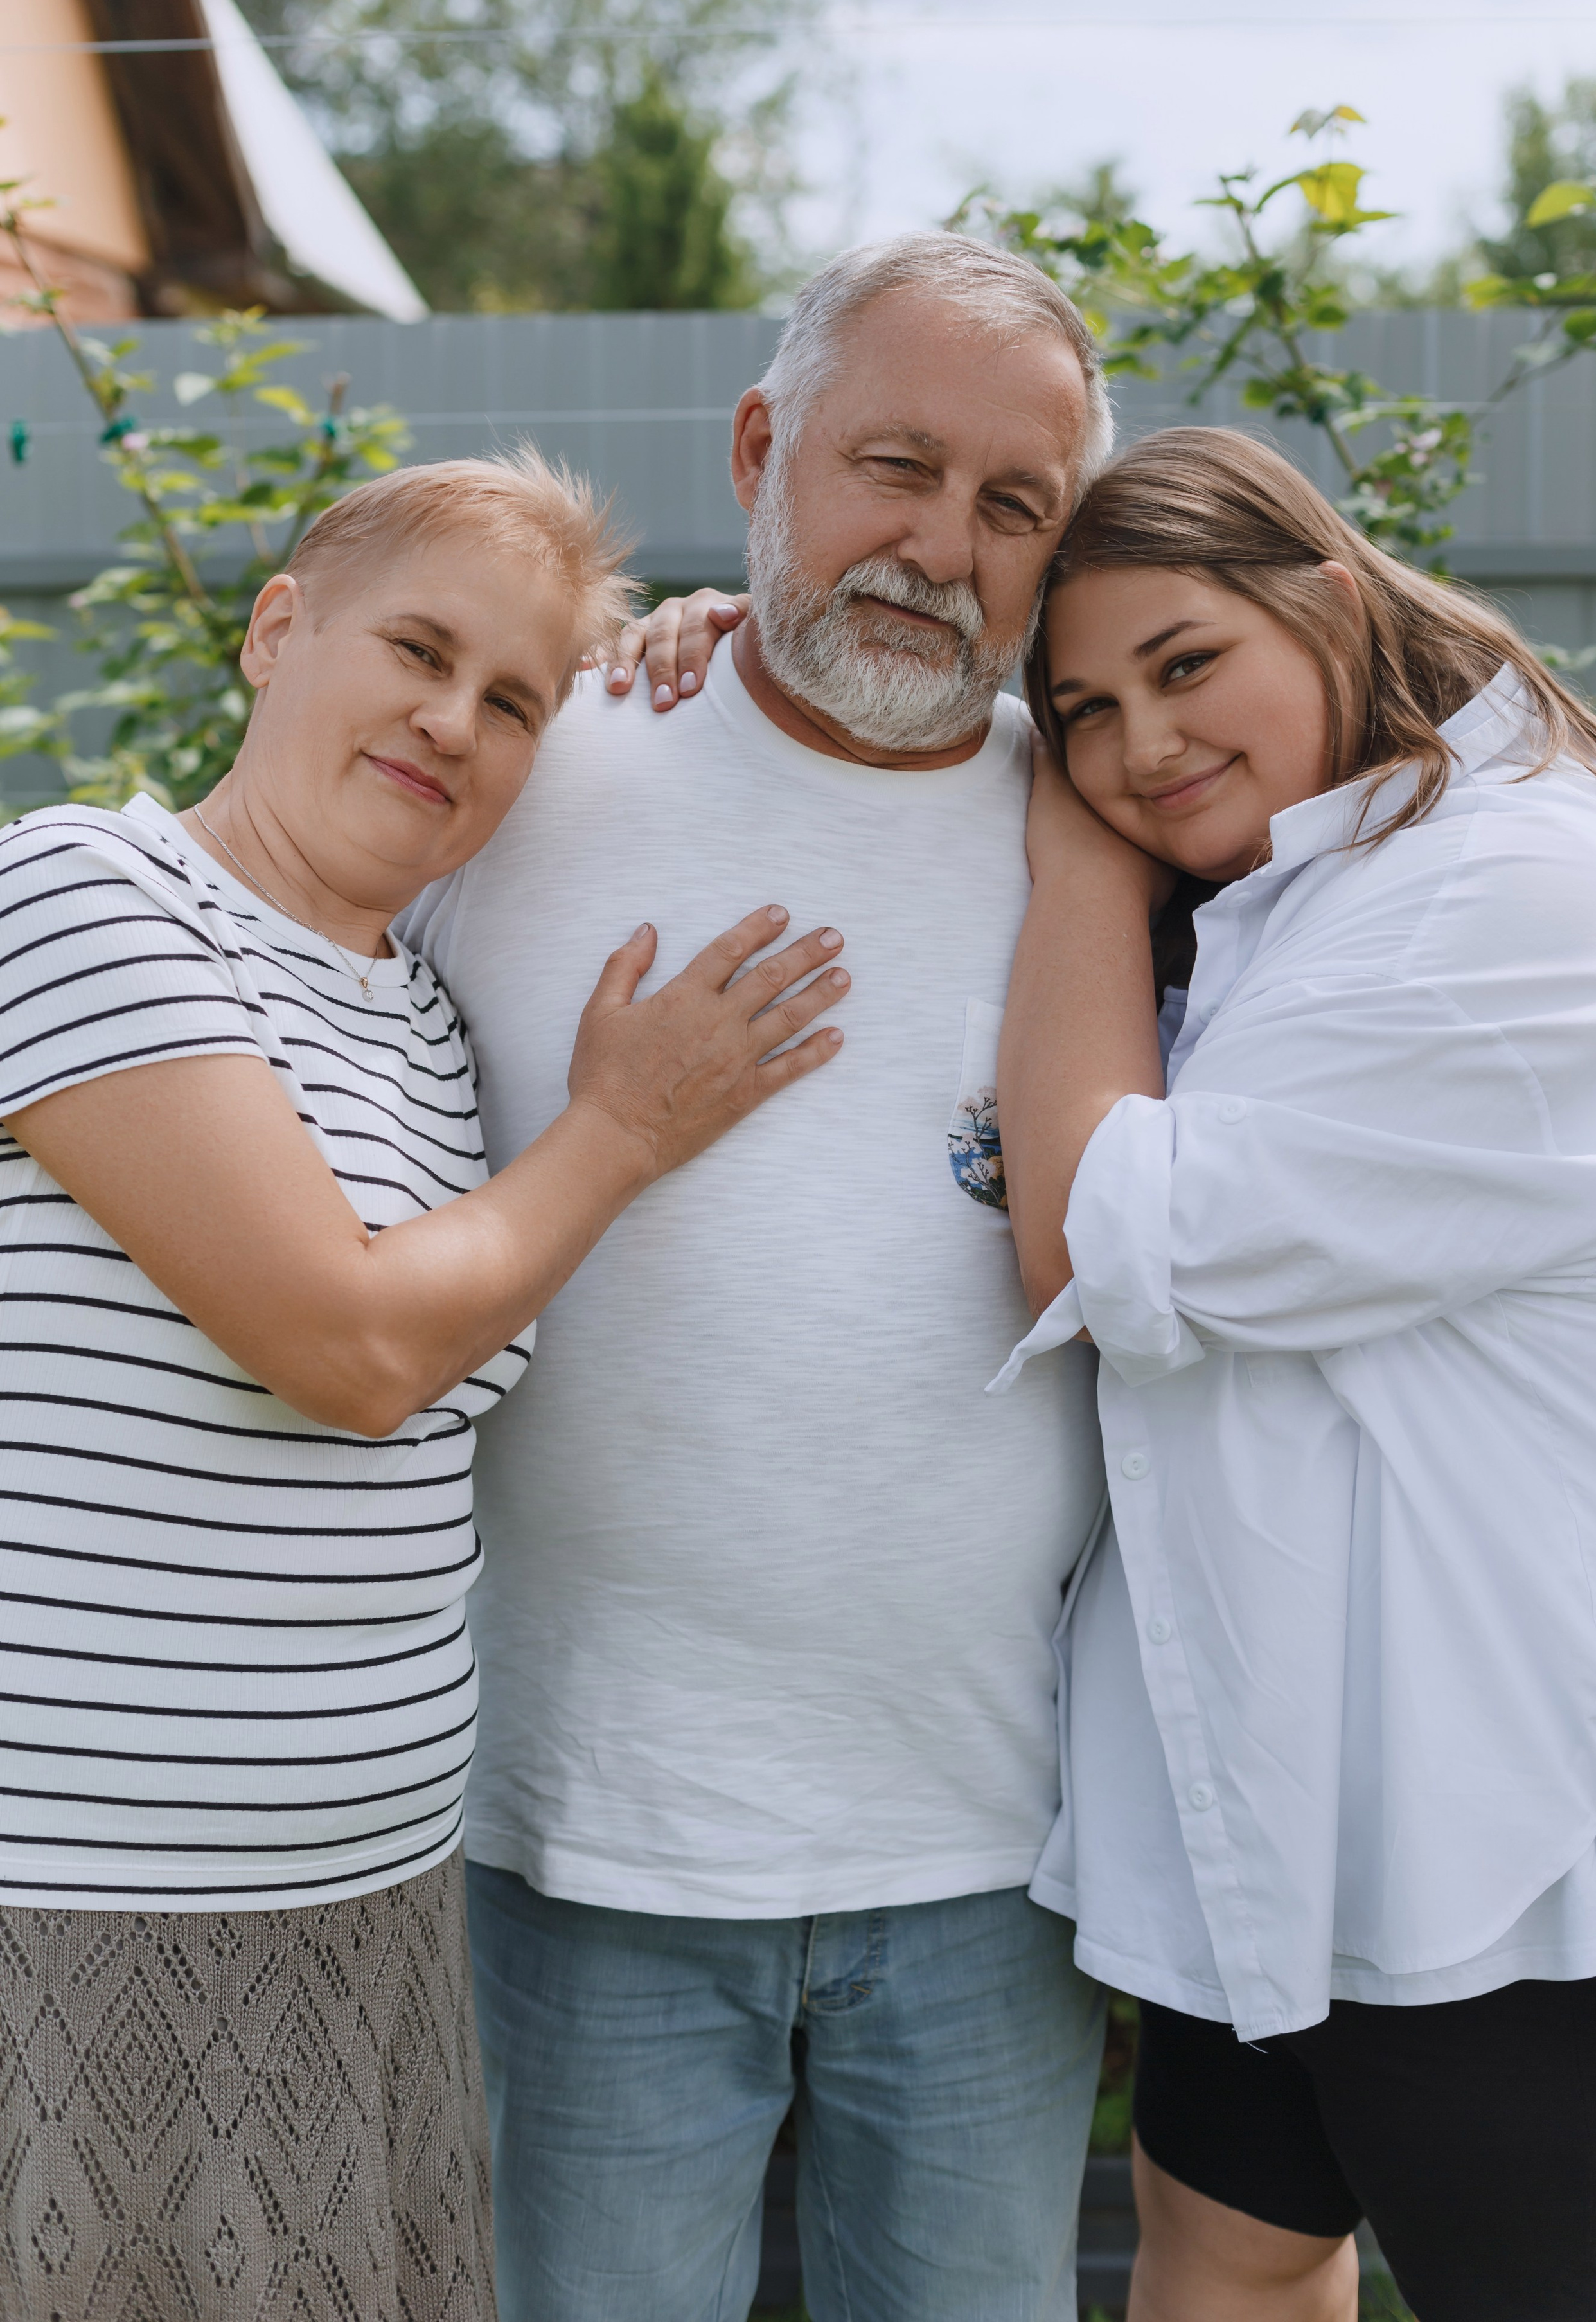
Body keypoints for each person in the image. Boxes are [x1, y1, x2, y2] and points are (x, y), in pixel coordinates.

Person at [0, 450, 848, 2322]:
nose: (454, 722)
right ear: (279, 628)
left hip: (369, 1914)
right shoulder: (76, 894)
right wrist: (626, 1127)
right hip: (85, 1913)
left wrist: (707, 650)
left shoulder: (424, 1026)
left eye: (517, 699)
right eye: (420, 649)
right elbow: (357, 1345)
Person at [400, 233, 1113, 2322]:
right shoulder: (523, 778)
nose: (939, 546)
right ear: (760, 449)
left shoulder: (1112, 836)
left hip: (997, 1850)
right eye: (890, 468)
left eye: (1013, 507)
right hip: (579, 1837)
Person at [993, 424, 1596, 2322]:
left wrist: (1065, 848)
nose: (1142, 748)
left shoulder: (1524, 890)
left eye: (1187, 666)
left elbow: (1102, 1229)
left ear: (1330, 603)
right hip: (1265, 1792)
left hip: (1489, 1830)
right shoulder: (1307, 888)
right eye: (1087, 711)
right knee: (1233, 2261)